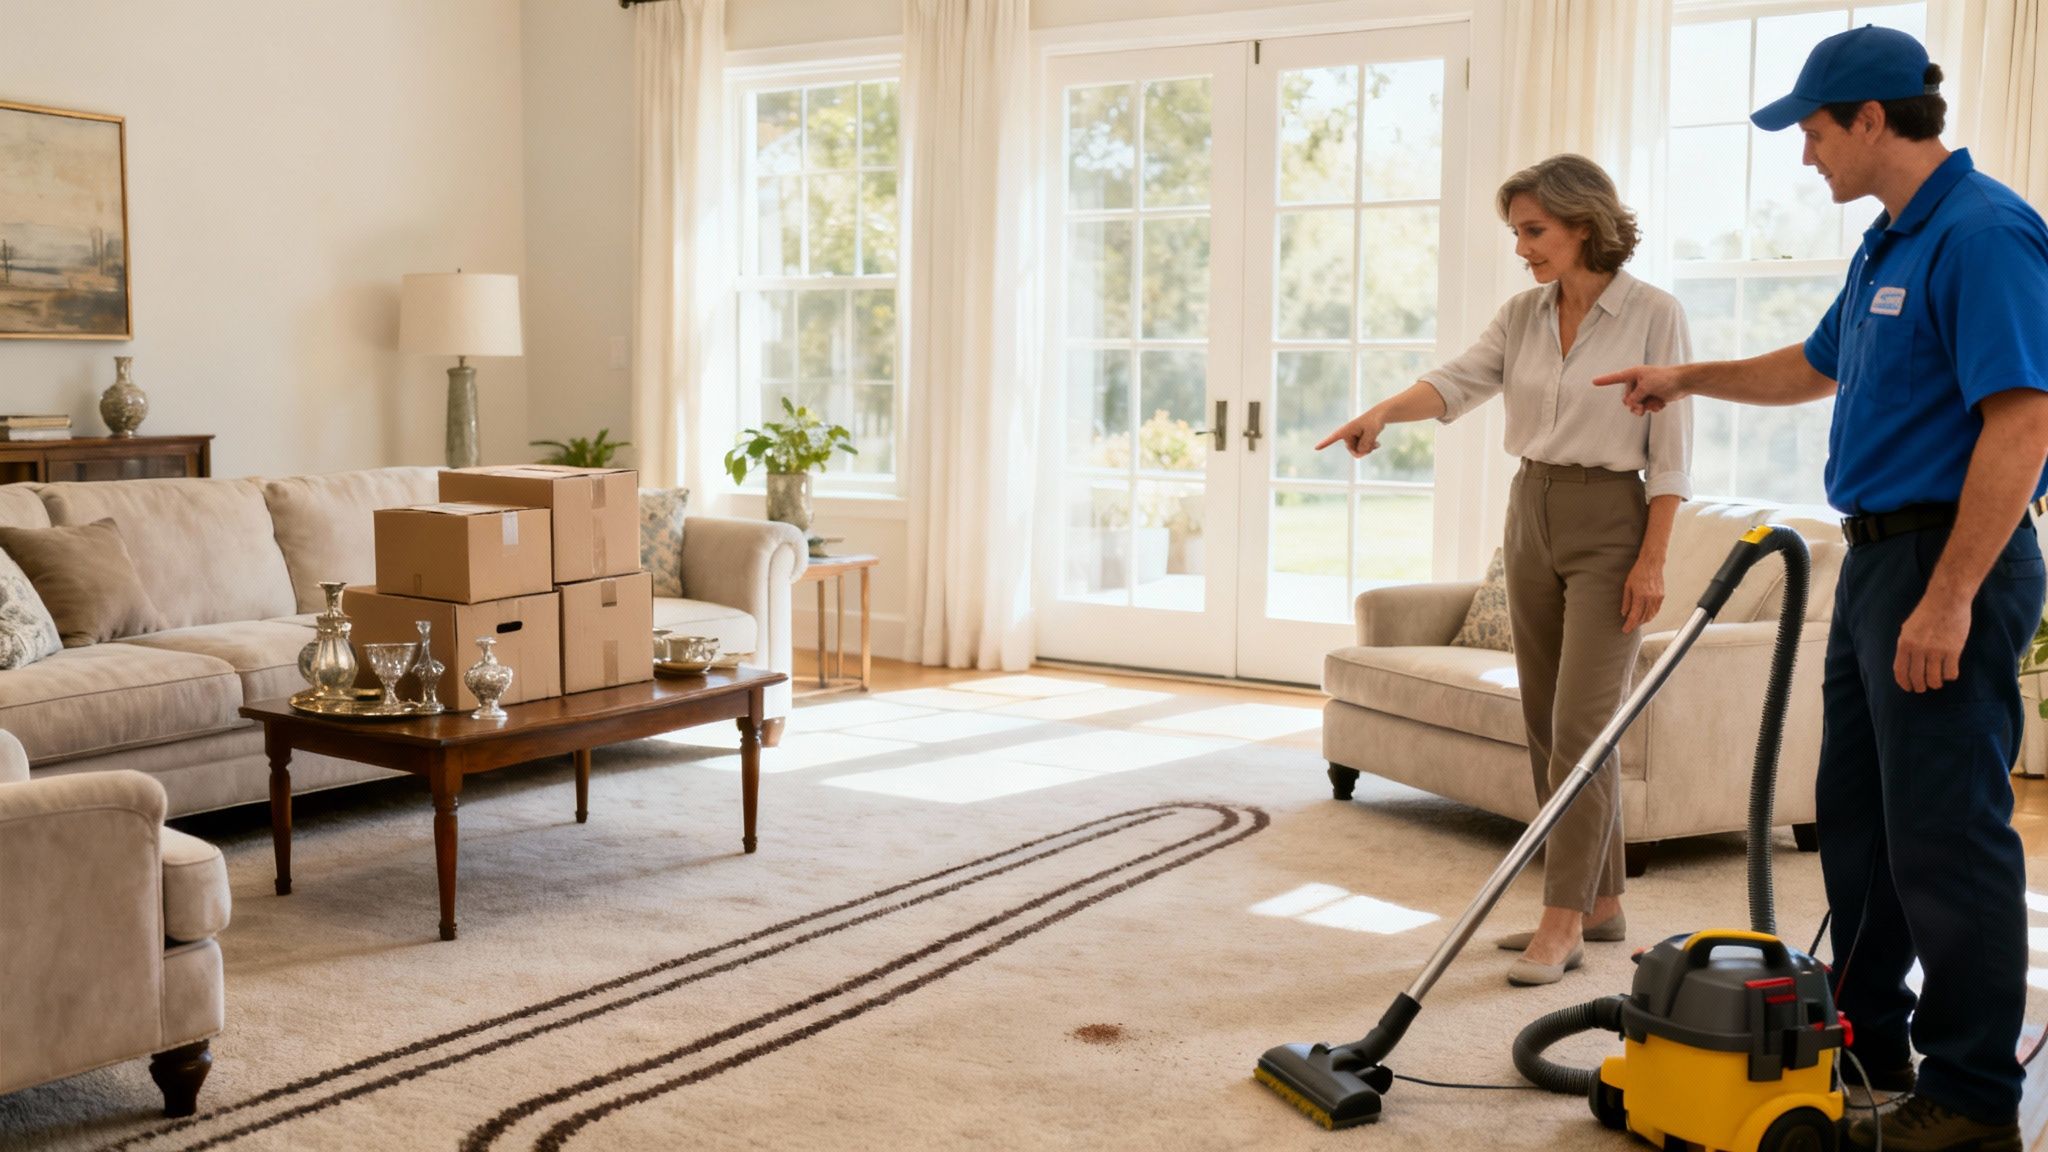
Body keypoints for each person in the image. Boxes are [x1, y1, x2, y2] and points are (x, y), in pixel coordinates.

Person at [1597, 26, 2048, 1152]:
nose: (1804, 158)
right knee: (1849, 818)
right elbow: (1814, 366)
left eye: (1810, 132)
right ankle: (1870, 1039)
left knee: (1945, 833)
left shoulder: (1983, 233)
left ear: (1868, 119)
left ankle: (1971, 1099)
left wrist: (1946, 600)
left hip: (1948, 561)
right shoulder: (1885, 244)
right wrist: (1683, 376)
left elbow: (2023, 420)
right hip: (1873, 559)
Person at [1316, 154, 1692, 987]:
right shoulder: (1524, 314)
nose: (1523, 248)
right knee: (1542, 722)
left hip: (1612, 523)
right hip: (1531, 512)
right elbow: (1458, 383)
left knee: (1584, 729)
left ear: (1582, 225)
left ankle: (1558, 920)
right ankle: (1599, 903)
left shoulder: (1654, 314)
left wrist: (1654, 557)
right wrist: (1384, 410)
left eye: (1534, 231)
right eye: (1517, 233)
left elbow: (1671, 456)